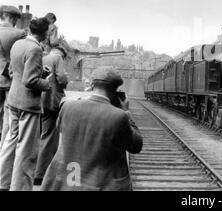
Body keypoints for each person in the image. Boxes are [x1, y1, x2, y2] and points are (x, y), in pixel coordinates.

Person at [41, 66, 143, 191]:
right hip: (101, 185)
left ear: (92, 85)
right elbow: (136, 145)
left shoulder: (67, 106)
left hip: (69, 182)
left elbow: (61, 129)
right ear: (116, 90)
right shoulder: (119, 116)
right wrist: (127, 112)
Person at [0, 18, 52, 191]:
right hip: (28, 105)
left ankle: (3, 182)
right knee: (26, 150)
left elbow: (11, 70)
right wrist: (47, 82)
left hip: (13, 100)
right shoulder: (36, 49)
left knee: (9, 141)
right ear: (45, 33)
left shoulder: (18, 44)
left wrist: (38, 72)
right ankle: (20, 188)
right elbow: (30, 81)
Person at [34, 46, 69, 186]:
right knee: (49, 137)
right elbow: (61, 78)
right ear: (61, 53)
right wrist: (66, 81)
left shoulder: (41, 57)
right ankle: (40, 175)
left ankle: (37, 171)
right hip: (51, 100)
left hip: (39, 100)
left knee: (40, 135)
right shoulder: (58, 57)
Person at [0, 6, 26, 147]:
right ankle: (2, 150)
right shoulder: (19, 33)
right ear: (13, 18)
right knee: (8, 119)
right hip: (9, 80)